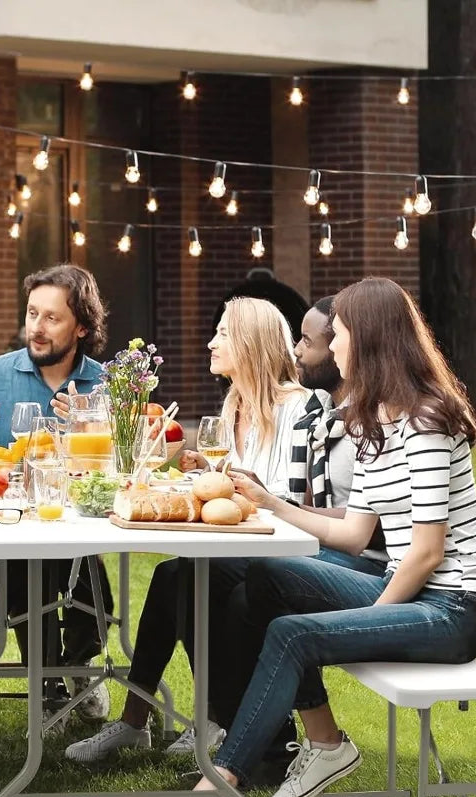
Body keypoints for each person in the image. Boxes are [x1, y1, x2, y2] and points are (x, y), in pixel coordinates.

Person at [119, 276, 476, 797]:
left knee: (294, 635)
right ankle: (323, 744)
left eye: (337, 334)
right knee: (266, 573)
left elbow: (427, 550)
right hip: (406, 587)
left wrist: (367, 626)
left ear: (368, 340)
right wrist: (271, 504)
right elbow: (351, 533)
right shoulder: (375, 420)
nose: (325, 346)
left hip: (453, 607)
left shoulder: (425, 420)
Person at [64, 296, 309, 764]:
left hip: (282, 550)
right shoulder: (236, 403)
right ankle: (144, 722)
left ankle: (209, 720)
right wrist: (199, 473)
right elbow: (232, 483)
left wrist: (230, 485)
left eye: (222, 334)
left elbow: (290, 497)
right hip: (242, 541)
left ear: (251, 344)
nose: (211, 342)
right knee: (172, 577)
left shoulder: (298, 409)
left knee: (189, 579)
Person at [0, 263, 112, 721]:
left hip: (78, 521)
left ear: (81, 326)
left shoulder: (104, 384)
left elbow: (116, 470)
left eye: (52, 318)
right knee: (36, 559)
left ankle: (79, 661)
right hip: (7, 525)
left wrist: (86, 427)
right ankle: (47, 676)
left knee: (80, 550)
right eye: (32, 314)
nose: (37, 328)